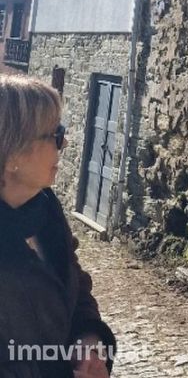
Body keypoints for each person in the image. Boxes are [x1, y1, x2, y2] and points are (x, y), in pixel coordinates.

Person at [0, 74, 116, 378]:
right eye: (54, 134)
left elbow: (75, 285)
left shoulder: (45, 208)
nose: (64, 142)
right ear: (11, 153)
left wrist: (88, 340)